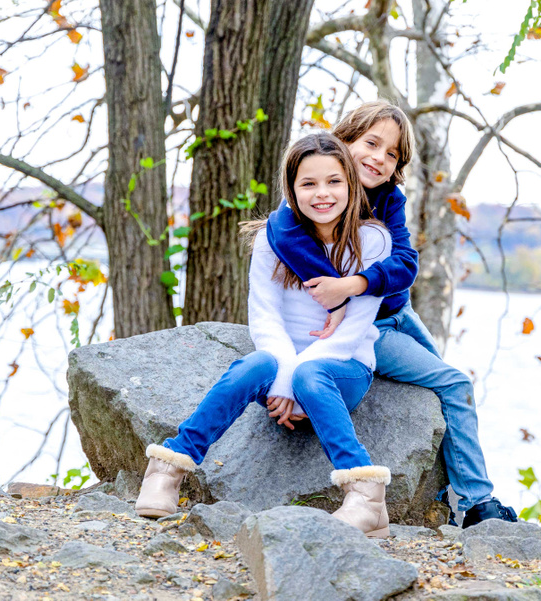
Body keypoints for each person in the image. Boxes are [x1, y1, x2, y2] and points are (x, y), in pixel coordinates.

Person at [265, 101, 517, 528]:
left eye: (392, 154)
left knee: (442, 386)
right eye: (371, 143)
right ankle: (478, 503)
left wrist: (351, 286)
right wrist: (339, 294)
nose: (379, 158)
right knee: (454, 384)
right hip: (372, 329)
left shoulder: (389, 199)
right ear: (343, 140)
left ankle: (447, 492)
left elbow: (406, 265)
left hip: (401, 311)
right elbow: (279, 227)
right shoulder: (324, 196)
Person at [135, 133, 394, 538]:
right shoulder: (272, 240)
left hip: (343, 369)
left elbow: (353, 329)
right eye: (308, 184)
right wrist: (284, 378)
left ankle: (366, 498)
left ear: (352, 185)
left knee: (312, 377)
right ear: (291, 190)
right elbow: (265, 316)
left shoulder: (374, 241)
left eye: (334, 182)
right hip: (279, 370)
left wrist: (295, 382)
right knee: (254, 364)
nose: (321, 194)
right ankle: (169, 467)